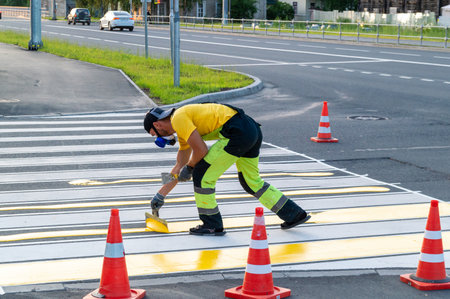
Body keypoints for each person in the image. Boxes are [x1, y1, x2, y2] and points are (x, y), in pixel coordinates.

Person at [143, 103, 310, 236]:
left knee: (202, 175)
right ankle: (294, 214)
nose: (158, 138)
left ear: (157, 124)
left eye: (154, 134)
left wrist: (192, 167)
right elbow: (178, 166)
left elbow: (201, 151)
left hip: (236, 132)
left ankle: (211, 225)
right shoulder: (181, 127)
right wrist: (160, 194)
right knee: (250, 181)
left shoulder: (179, 119)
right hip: (251, 130)